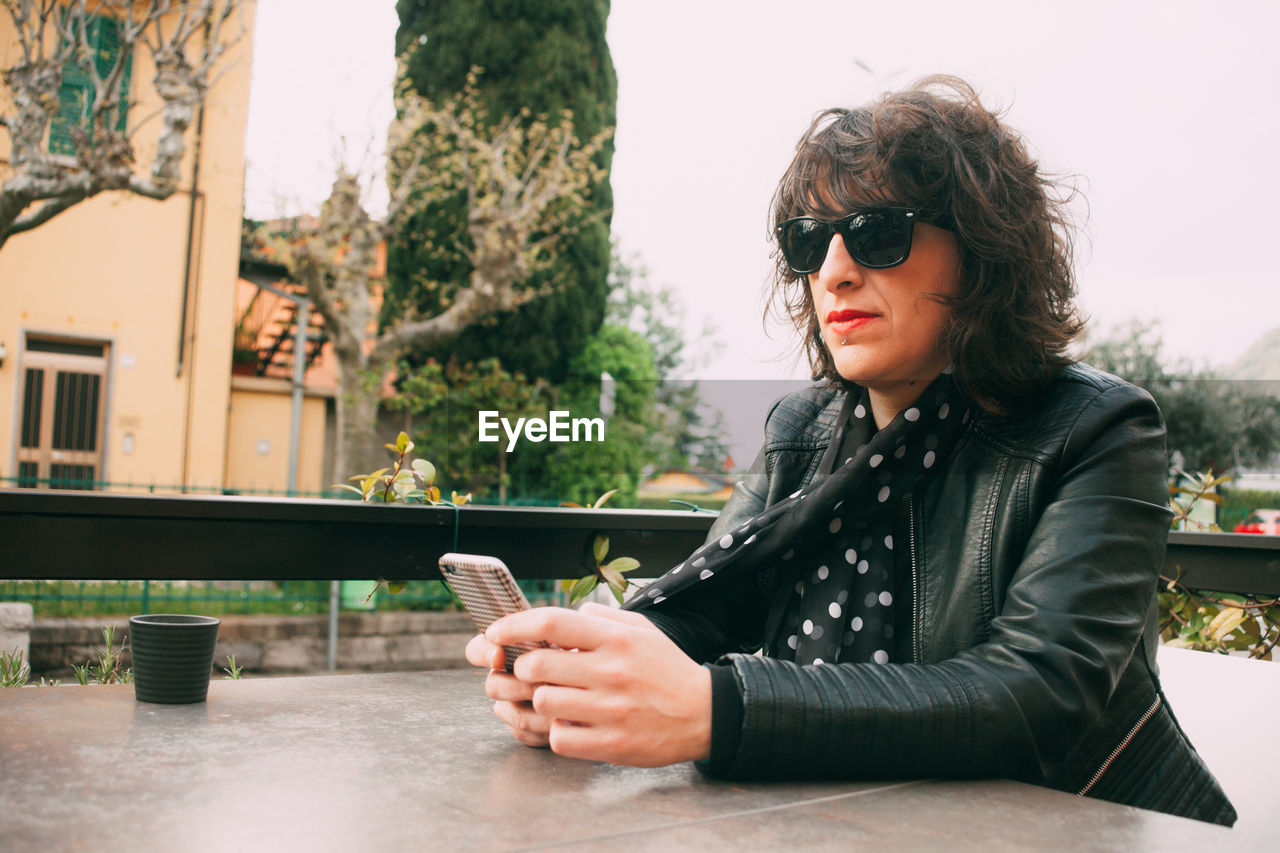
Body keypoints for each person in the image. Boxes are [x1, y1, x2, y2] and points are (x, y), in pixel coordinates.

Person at [464, 76, 1236, 826]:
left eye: (877, 233)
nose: (834, 270)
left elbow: (1037, 696)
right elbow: (712, 608)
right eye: (809, 240)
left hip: (1074, 824)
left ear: (983, 255)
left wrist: (719, 711)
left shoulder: (1097, 428)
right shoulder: (800, 427)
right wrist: (581, 677)